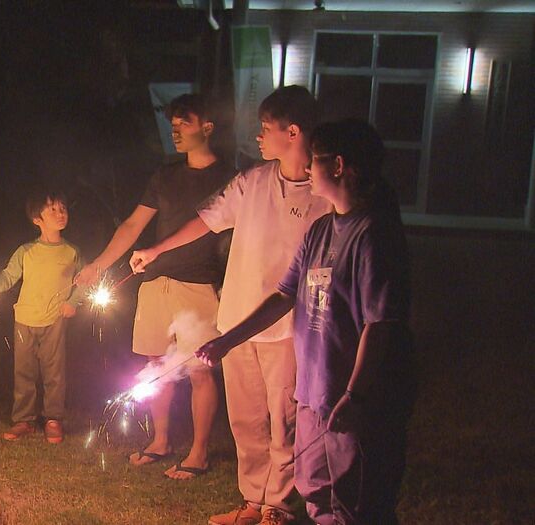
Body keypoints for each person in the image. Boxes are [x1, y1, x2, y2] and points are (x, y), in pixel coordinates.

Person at [196, 119, 416, 524]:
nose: (308, 170)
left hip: (356, 401)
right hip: (315, 395)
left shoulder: (373, 235)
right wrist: (227, 340)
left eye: (314, 162)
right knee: (317, 492)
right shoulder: (319, 230)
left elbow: (380, 324)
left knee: (359, 503)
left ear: (338, 166)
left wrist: (356, 394)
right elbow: (284, 295)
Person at [131, 86, 332, 524]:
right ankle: (252, 501)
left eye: (266, 128)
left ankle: (277, 508)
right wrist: (157, 250)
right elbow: (205, 219)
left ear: (292, 132)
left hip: (287, 330)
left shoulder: (322, 195)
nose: (258, 137)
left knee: (284, 422)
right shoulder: (254, 181)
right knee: (246, 420)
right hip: (237, 322)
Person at [76, 93, 231, 480]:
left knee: (198, 369)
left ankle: (199, 452)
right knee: (156, 366)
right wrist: (99, 264)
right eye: (172, 124)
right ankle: (160, 441)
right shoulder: (165, 176)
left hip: (199, 283)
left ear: (207, 127)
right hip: (155, 282)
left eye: (184, 123)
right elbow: (132, 225)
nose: (175, 131)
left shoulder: (230, 178)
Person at [0, 192, 84, 444]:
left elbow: (82, 282)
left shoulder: (71, 252)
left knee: (54, 372)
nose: (60, 214)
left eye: (63, 209)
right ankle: (23, 420)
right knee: (23, 372)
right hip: (25, 318)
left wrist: (72, 302)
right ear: (37, 219)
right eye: (53, 210)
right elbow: (9, 276)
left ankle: (53, 419)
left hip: (55, 320)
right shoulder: (26, 251)